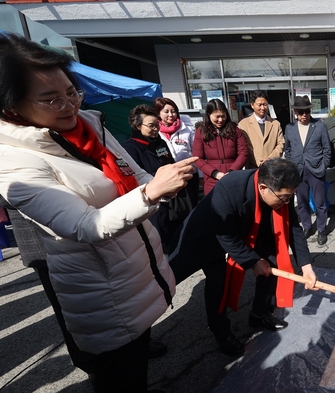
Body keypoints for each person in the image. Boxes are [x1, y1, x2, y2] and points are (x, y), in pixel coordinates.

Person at [0, 32, 195, 392]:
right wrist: (151, 193)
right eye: (50, 99)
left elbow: (136, 176)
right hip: (100, 289)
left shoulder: (91, 125)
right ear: (11, 107)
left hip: (137, 271)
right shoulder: (12, 161)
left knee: (137, 365)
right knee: (118, 376)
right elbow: (84, 226)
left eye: (71, 92)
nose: (68, 105)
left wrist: (165, 185)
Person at [168, 158, 318, 357]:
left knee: (271, 264)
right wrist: (253, 261)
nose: (287, 202)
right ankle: (218, 330)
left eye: (290, 196)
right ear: (263, 187)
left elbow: (293, 228)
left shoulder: (280, 192)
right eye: (284, 198)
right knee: (203, 281)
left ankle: (259, 314)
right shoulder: (231, 187)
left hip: (249, 227)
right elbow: (224, 234)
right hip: (206, 235)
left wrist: (306, 266)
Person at [122, 104, 193, 253]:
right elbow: (136, 177)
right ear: (137, 125)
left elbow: (171, 164)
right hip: (152, 204)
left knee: (176, 239)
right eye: (151, 126)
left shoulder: (160, 143)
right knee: (158, 242)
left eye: (157, 125)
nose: (156, 129)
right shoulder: (129, 148)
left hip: (172, 201)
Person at [284, 95, 332, 245]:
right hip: (298, 170)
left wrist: (324, 165)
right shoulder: (289, 128)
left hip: (317, 169)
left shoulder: (320, 126)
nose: (304, 115)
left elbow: (327, 149)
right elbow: (288, 149)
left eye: (306, 111)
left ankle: (322, 229)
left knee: (320, 202)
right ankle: (307, 226)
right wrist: (291, 166)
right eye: (300, 112)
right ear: (295, 112)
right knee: (302, 202)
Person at [193, 99, 248, 195]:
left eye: (223, 116)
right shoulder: (201, 132)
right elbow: (198, 158)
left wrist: (231, 172)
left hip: (233, 176)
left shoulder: (235, 129)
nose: (220, 120)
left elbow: (243, 153)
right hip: (212, 179)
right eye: (217, 116)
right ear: (209, 115)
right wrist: (215, 173)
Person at [238, 90, 285, 169]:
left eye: (265, 104)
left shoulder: (275, 124)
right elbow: (245, 146)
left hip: (271, 167)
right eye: (259, 105)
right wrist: (259, 161)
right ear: (252, 105)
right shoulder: (243, 124)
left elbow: (281, 144)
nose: (262, 108)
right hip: (252, 167)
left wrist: (269, 159)